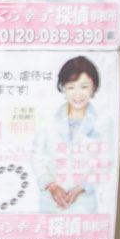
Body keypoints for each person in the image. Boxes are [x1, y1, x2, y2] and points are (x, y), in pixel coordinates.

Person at [35, 56, 108, 212]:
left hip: (84, 204)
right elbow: (37, 156)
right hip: (51, 203)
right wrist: (51, 185)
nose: (77, 94)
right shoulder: (48, 120)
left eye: (84, 86)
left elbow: (106, 161)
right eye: (71, 87)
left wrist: (83, 187)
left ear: (94, 87)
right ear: (63, 87)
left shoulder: (103, 122)